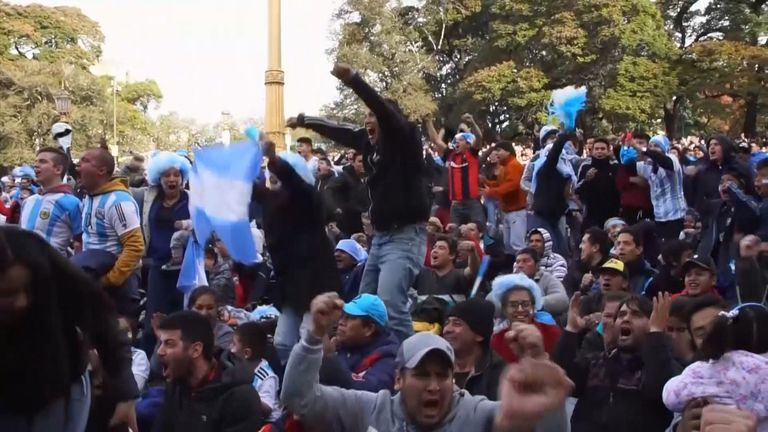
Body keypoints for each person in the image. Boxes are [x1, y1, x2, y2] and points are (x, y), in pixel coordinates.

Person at [280, 292, 572, 432]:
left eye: (442, 376)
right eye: (422, 375)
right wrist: (313, 337)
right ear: (399, 379)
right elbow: (298, 400)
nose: (433, 386)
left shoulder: (475, 413)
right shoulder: (370, 409)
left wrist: (538, 364)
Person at [287, 64, 431, 342]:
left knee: (390, 306)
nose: (368, 120)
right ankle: (368, 356)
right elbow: (339, 131)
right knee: (364, 306)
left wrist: (354, 80)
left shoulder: (405, 138)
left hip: (405, 237)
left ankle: (410, 366)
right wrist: (305, 120)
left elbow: (383, 110)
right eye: (365, 116)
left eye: (373, 116)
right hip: (380, 239)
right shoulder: (368, 144)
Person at [0, 226, 139, 432]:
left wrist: (125, 393)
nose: (21, 302)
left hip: (60, 383)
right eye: (8, 294)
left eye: (28, 289)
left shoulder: (37, 253)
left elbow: (102, 318)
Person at [252, 143, 341, 363]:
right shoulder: (271, 203)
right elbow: (249, 189)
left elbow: (297, 185)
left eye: (278, 179)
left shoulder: (307, 201)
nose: (273, 184)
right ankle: (289, 388)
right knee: (282, 342)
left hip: (315, 285)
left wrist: (273, 158)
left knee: (311, 341)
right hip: (289, 287)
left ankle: (318, 386)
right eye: (270, 179)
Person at [556, 293, 681, 432]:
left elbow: (658, 390)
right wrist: (571, 330)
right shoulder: (596, 362)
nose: (626, 319)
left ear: (652, 323)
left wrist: (656, 335)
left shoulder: (663, 365)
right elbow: (563, 381)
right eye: (621, 315)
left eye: (636, 315)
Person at [663, 304, 768, 431]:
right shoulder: (695, 382)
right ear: (692, 339)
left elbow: (669, 395)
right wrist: (679, 428)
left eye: (716, 329)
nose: (710, 336)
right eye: (701, 333)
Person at [153, 311, 264, 431]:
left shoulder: (240, 397)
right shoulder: (176, 386)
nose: (160, 351)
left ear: (196, 350)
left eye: (169, 344)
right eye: (160, 343)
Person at [133, 151, 192, 351]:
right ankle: (150, 364)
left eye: (176, 175)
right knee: (154, 320)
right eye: (167, 175)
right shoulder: (149, 197)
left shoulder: (191, 200)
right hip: (158, 267)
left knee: (182, 321)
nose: (172, 179)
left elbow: (205, 227)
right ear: (159, 178)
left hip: (186, 270)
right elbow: (125, 185)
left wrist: (188, 226)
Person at [78, 147, 144, 318]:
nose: (78, 165)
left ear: (102, 170)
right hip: (94, 281)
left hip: (117, 286)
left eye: (85, 161)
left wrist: (110, 280)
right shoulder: (89, 197)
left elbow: (135, 247)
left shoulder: (118, 201)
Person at [318, 293, 399, 393]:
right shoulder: (344, 343)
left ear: (369, 329)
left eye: (350, 318)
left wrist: (330, 360)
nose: (341, 322)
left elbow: (371, 390)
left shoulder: (389, 358)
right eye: (343, 316)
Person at [19, 147, 82, 256]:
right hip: (24, 268)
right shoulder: (28, 201)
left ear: (58, 169)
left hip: (53, 269)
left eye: (42, 162)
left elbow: (81, 241)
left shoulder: (72, 203)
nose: (36, 165)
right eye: (36, 161)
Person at [489, 273, 562, 363]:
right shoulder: (497, 339)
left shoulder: (551, 332)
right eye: (513, 305)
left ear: (533, 307)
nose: (520, 310)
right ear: (504, 310)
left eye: (525, 304)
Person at [426, 118, 486, 226]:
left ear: (468, 144)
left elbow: (479, 137)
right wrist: (428, 122)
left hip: (472, 202)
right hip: (456, 204)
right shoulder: (451, 155)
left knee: (474, 231)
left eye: (461, 140)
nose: (456, 142)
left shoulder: (472, 154)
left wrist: (472, 122)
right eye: (456, 140)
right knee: (453, 234)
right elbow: (436, 140)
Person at [442, 298, 506, 400]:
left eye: (457, 324)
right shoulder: (438, 364)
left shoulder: (499, 372)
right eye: (446, 323)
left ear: (479, 335)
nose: (447, 330)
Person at [528, 127, 576, 256]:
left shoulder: (565, 172)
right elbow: (554, 155)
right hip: (542, 216)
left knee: (561, 251)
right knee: (548, 251)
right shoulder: (545, 169)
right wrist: (562, 138)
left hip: (556, 216)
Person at [631, 135, 688, 243]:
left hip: (676, 215)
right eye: (651, 146)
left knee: (672, 249)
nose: (652, 148)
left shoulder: (672, 158)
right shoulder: (648, 164)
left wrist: (644, 149)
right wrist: (627, 147)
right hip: (659, 217)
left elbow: (665, 162)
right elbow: (626, 163)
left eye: (656, 146)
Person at [481, 141, 527, 254]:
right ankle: (514, 267)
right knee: (508, 244)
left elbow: (512, 185)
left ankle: (522, 268)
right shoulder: (506, 166)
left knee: (517, 244)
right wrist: (486, 182)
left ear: (507, 151)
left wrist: (491, 191)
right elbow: (501, 184)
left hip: (516, 211)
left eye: (499, 150)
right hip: (508, 211)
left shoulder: (514, 165)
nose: (496, 153)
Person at [230, 321, 281, 423]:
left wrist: (247, 396)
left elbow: (267, 409)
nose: (230, 348)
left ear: (246, 353)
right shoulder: (238, 367)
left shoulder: (266, 377)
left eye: (234, 344)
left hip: (268, 423)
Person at [415, 235, 480, 305]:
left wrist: (472, 253)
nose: (434, 251)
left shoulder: (459, 275)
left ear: (452, 255)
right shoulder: (422, 274)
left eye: (441, 248)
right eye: (434, 247)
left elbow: (473, 270)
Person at [575, 137, 620, 230]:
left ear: (608, 151)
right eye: (597, 149)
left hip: (612, 214)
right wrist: (586, 179)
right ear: (592, 151)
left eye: (603, 149)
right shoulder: (585, 166)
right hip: (591, 214)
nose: (599, 151)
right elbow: (577, 190)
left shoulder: (615, 167)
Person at [512, 247, 569, 317]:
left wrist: (532, 303)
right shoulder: (510, 283)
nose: (520, 265)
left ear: (537, 265)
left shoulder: (547, 279)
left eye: (525, 261)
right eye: (518, 262)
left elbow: (562, 300)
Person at [327, 151, 369, 236]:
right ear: (352, 162)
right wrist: (334, 207)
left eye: (365, 161)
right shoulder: (344, 176)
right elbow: (328, 189)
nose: (363, 164)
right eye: (360, 161)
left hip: (361, 225)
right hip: (346, 225)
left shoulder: (367, 178)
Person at [564, 227, 612, 296]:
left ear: (595, 247)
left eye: (583, 242)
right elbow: (567, 297)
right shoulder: (575, 269)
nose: (580, 246)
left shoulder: (612, 271)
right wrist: (582, 288)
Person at [615, 143, 653, 225]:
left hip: (647, 206)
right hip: (629, 207)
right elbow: (620, 182)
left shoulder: (650, 164)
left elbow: (646, 182)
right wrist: (631, 179)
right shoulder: (624, 166)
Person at [187, 286, 234, 350]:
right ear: (190, 308)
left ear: (217, 309)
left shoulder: (225, 333)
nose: (204, 313)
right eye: (199, 308)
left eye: (210, 308)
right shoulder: (180, 330)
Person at [615, 228, 658, 295]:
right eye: (618, 244)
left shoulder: (651, 277)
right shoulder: (610, 274)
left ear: (639, 249)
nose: (621, 247)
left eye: (626, 243)